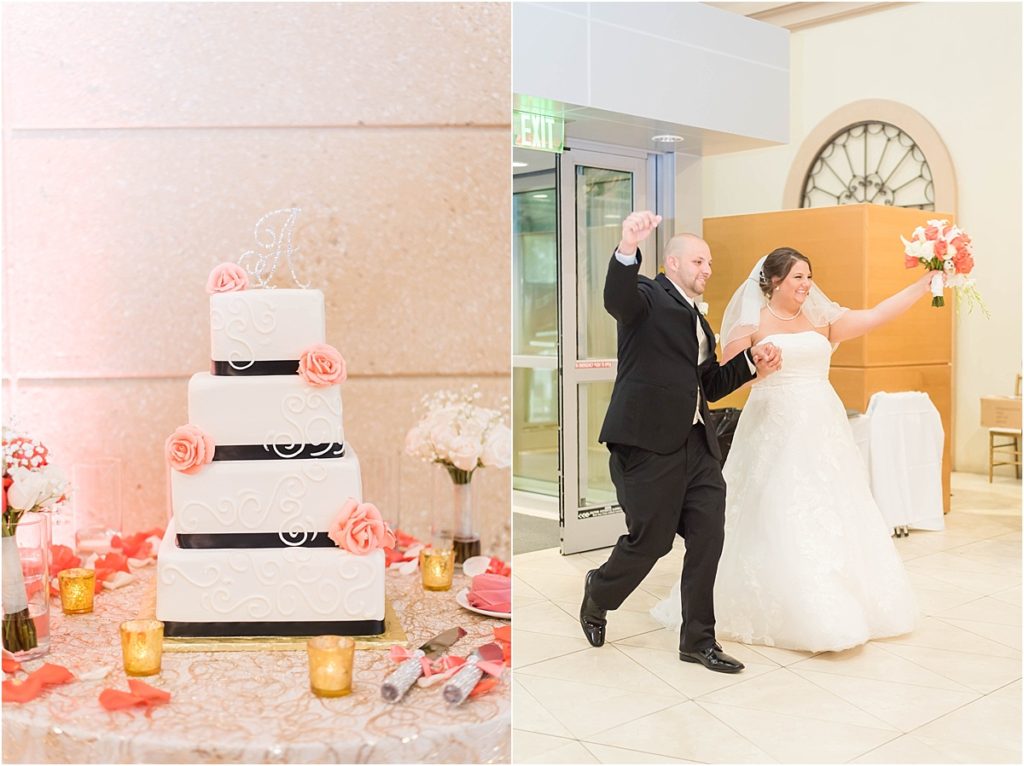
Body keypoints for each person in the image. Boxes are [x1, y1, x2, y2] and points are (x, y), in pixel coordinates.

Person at [650, 247, 928, 652]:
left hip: (823, 428)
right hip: (773, 427)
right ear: (775, 281)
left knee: (835, 509)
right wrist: (757, 364)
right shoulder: (752, 322)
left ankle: (849, 600)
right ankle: (795, 608)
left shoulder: (823, 320)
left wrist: (925, 284)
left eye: (809, 277)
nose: (807, 285)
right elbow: (724, 378)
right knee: (777, 509)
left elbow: (878, 314)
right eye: (798, 277)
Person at [579, 211, 781, 674]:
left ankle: (697, 641)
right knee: (650, 543)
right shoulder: (647, 296)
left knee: (709, 537)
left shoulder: (696, 319)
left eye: (709, 263)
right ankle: (599, 591)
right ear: (671, 263)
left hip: (696, 444)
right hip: (648, 445)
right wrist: (627, 247)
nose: (706, 270)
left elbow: (705, 384)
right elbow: (617, 298)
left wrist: (752, 362)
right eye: (697, 261)